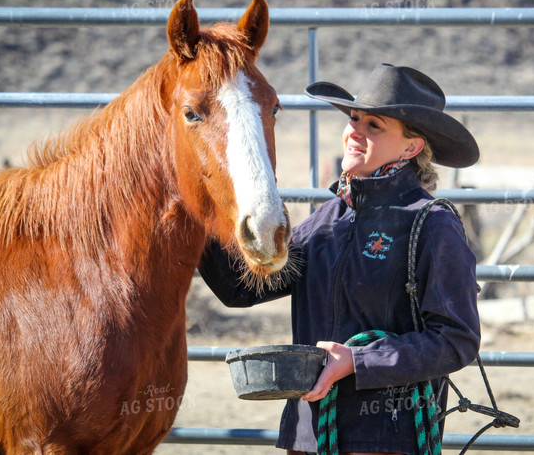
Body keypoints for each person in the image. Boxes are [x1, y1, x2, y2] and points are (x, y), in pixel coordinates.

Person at [199, 63, 481, 455]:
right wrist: (198, 212)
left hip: (386, 438)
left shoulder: (432, 225)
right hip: (310, 435)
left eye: (374, 126)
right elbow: (241, 289)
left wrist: (357, 360)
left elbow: (456, 341)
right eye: (354, 119)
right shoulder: (328, 218)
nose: (355, 132)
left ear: (411, 147)